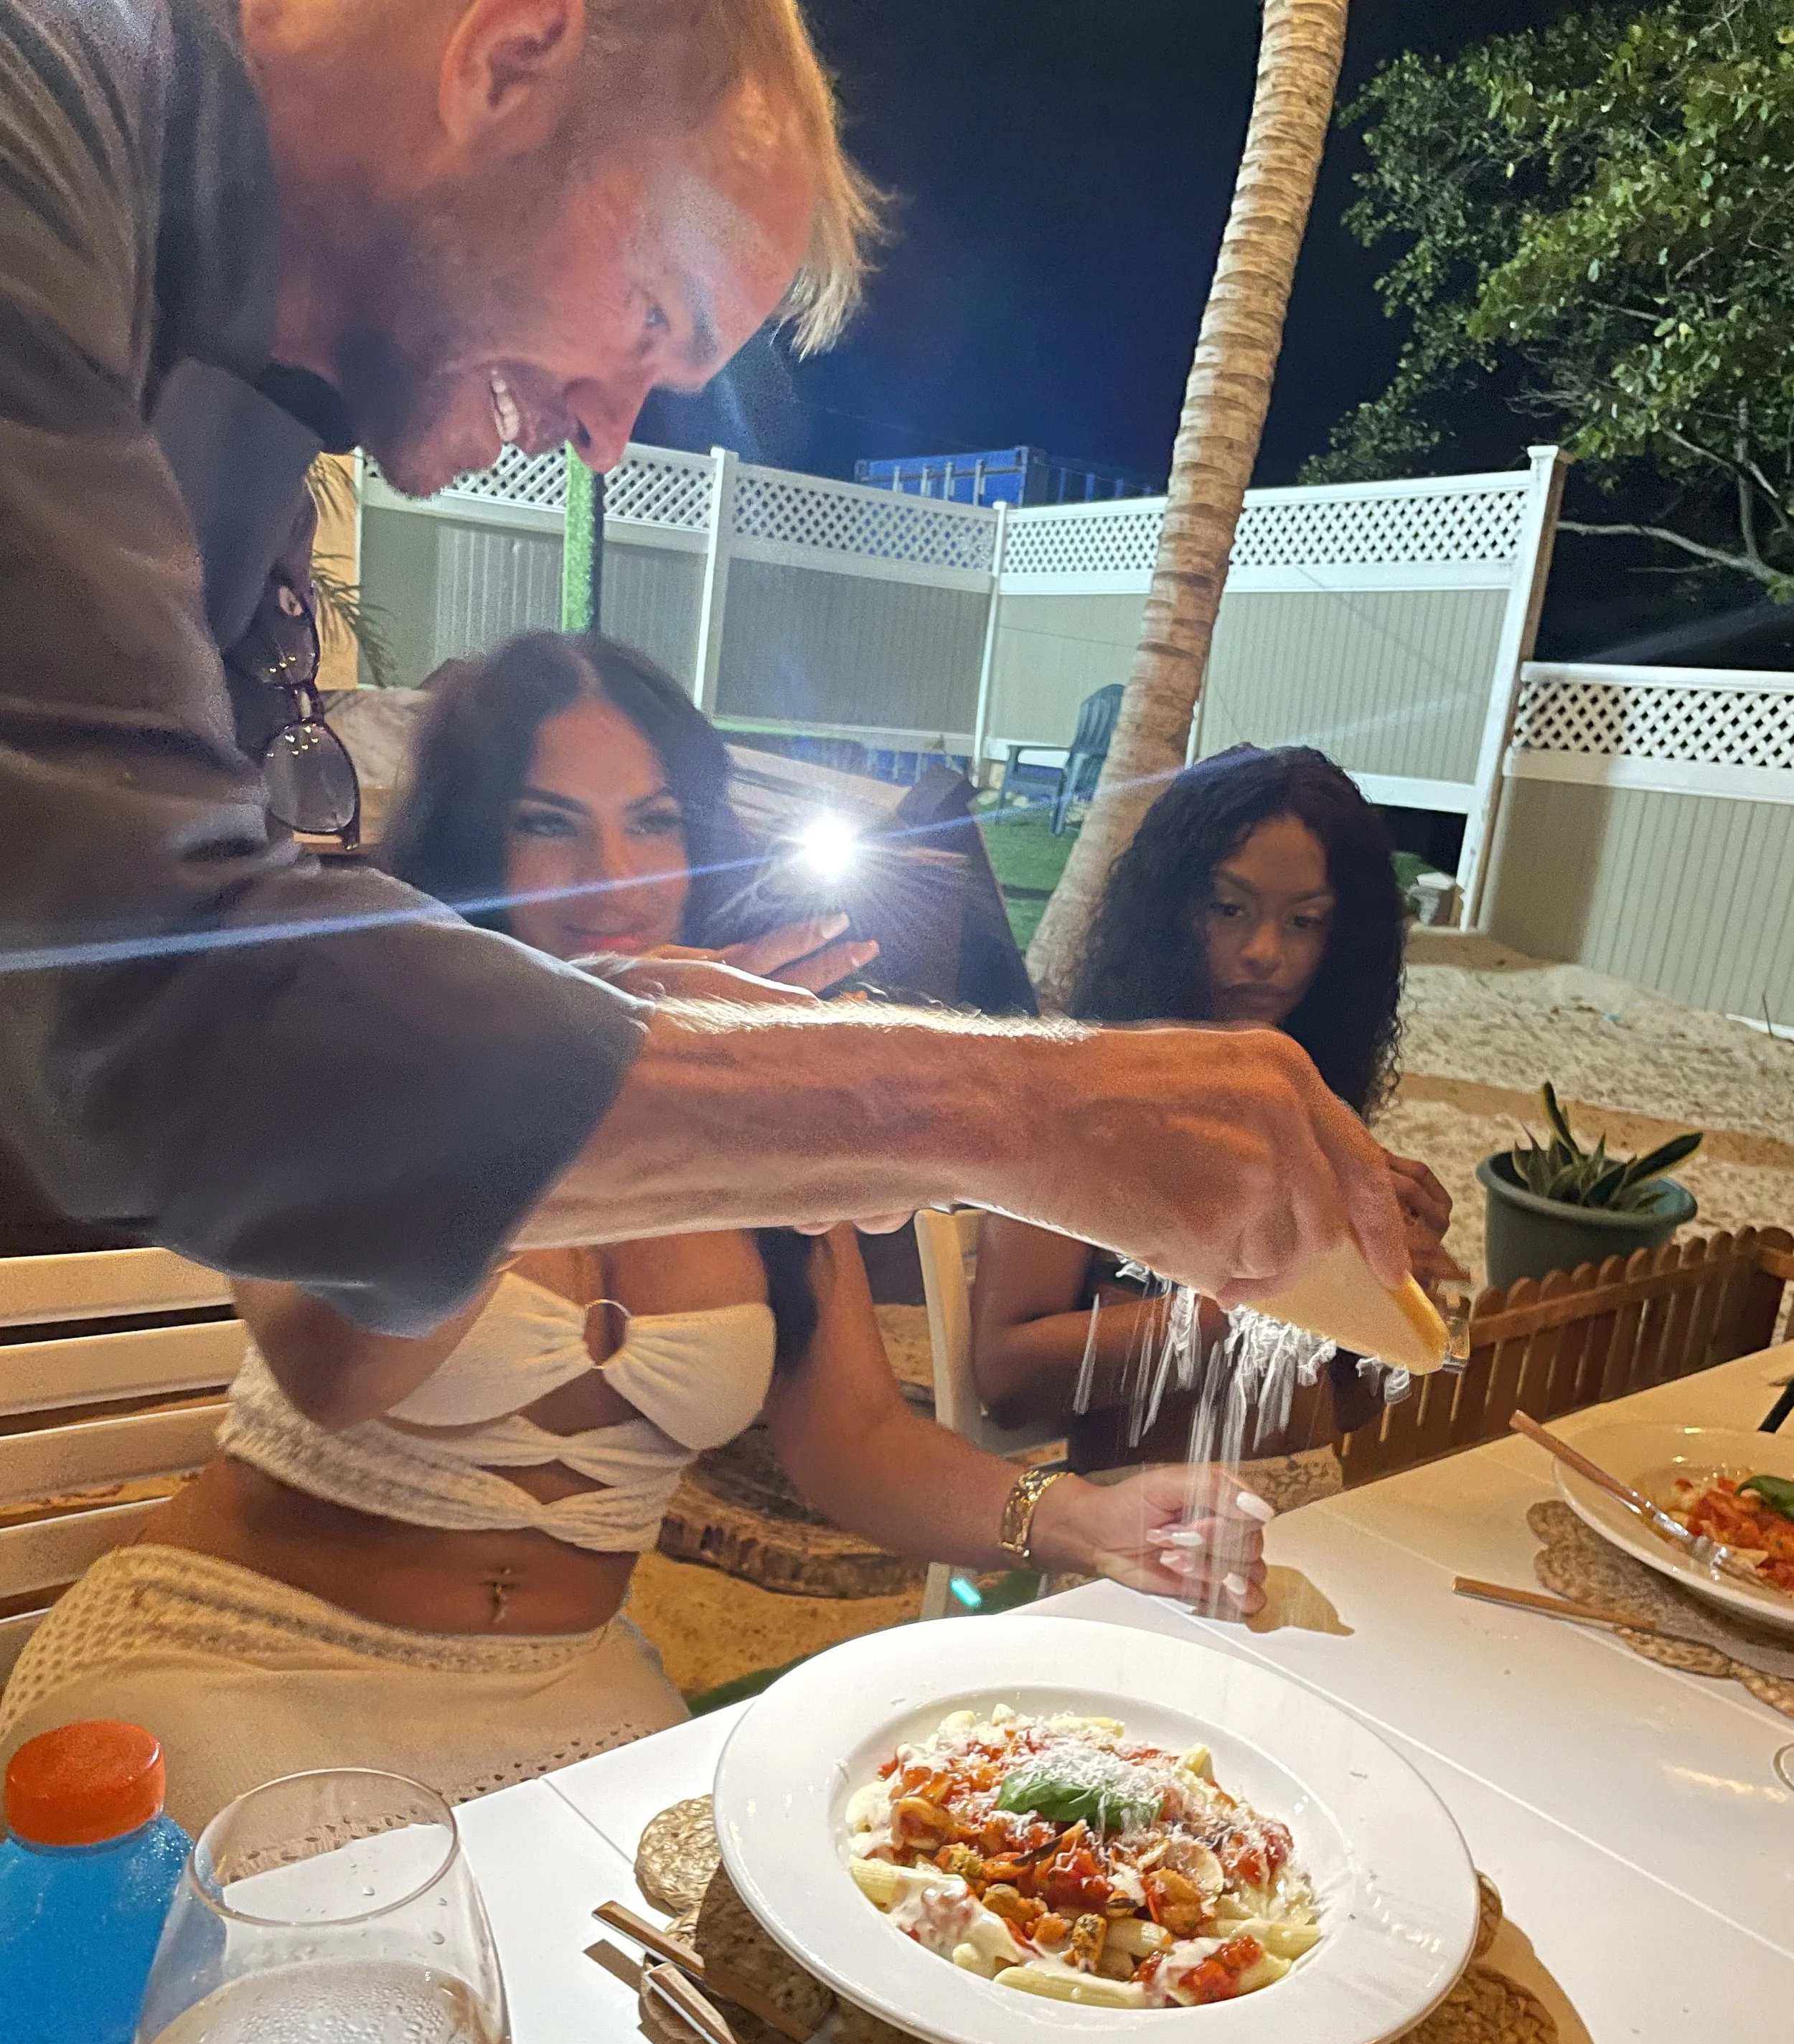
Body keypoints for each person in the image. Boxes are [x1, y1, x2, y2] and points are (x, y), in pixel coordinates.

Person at [0, 0, 1406, 1362]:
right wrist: (996, 1110)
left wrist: (623, 1020)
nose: (606, 438)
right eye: (649, 317)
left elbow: (251, 1014)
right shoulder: (38, 114)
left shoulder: (230, 354)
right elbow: (141, 1012)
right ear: (508, 54)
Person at [0, 636, 1269, 1832]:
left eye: (651, 820)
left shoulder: (742, 1115)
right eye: (548, 822)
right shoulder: (344, 1054)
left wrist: (1078, 1518)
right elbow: (336, 1376)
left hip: (567, 1685)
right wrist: (554, 1079)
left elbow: (857, 1440)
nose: (611, 874)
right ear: (473, 840)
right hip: (241, 1652)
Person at [972, 748, 1456, 1510]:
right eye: (1228, 909)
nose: (1264, 953)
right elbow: (1006, 1378)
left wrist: (1391, 1299)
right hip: (1138, 1521)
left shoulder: (1315, 1113)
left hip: (1317, 1507)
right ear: (1168, 911)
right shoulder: (1082, 1104)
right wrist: (1272, 1297)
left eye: (1304, 922)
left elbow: (1352, 1410)